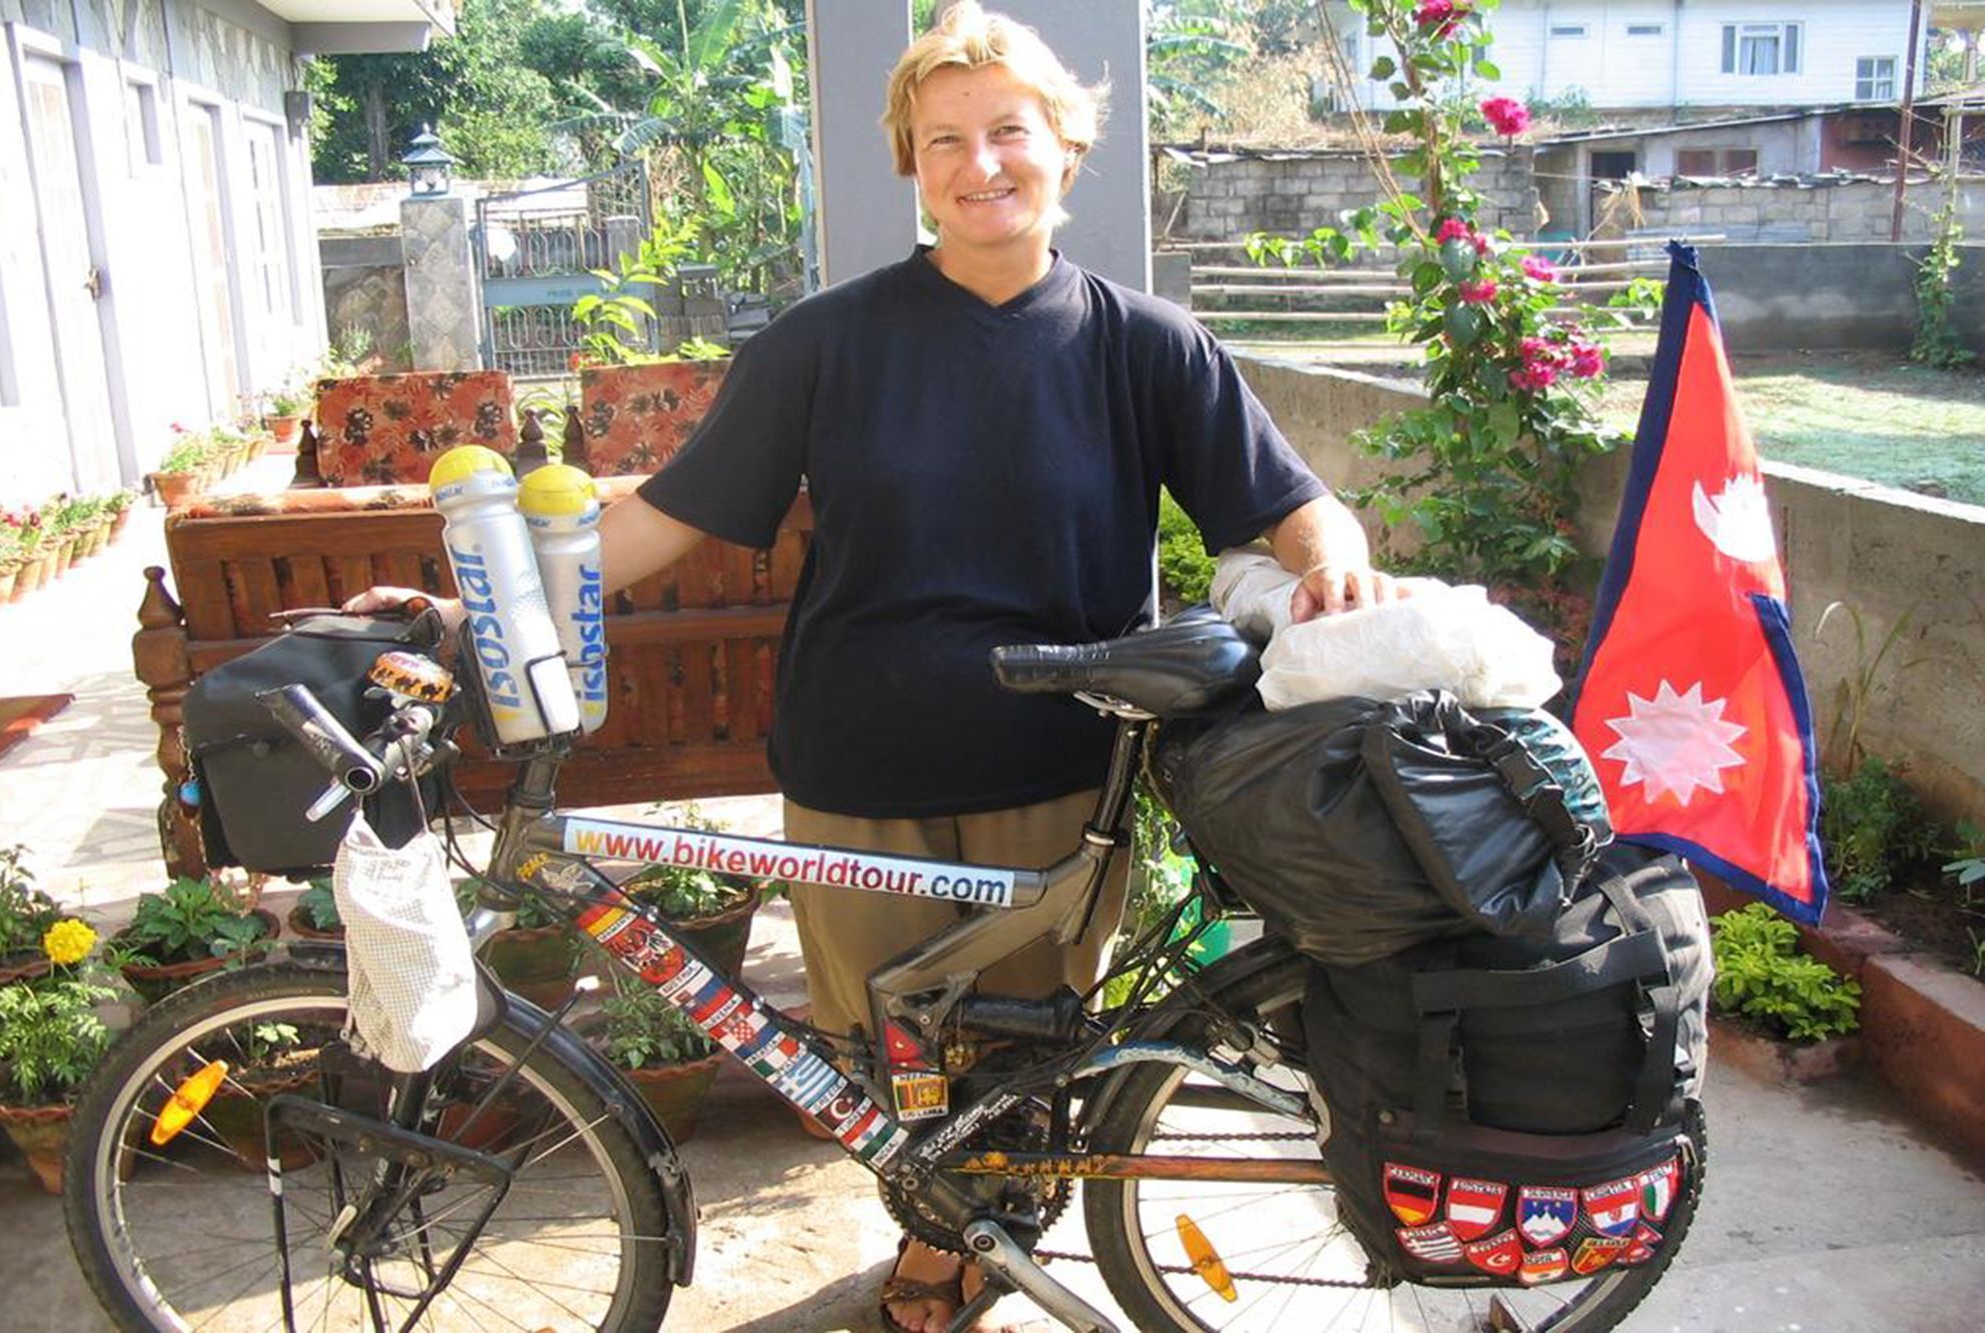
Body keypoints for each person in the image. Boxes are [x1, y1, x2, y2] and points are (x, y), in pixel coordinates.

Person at [354, 6, 1398, 1329]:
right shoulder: (826, 343)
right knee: (879, 1063)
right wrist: (465, 609)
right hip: (861, 762)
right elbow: (660, 522)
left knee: (1022, 1060)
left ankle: (980, 1247)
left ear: (1065, 149)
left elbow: (1284, 501)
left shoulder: (1146, 345)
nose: (981, 165)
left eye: (1009, 133)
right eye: (944, 139)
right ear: (913, 161)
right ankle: (933, 1231)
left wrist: (1336, 555)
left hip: (1059, 770)